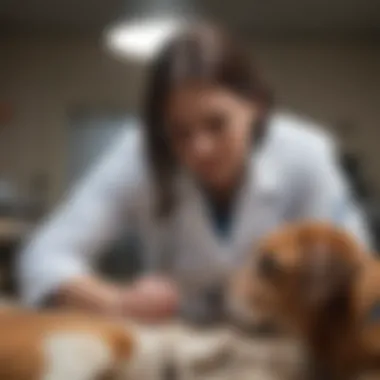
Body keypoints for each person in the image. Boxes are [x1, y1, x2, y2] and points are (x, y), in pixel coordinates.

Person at [17, 24, 370, 322]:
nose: (199, 149)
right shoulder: (138, 154)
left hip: (284, 341)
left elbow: (356, 269)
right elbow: (43, 256)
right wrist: (117, 302)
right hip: (177, 342)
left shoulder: (306, 154)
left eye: (217, 124)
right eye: (179, 132)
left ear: (256, 105)